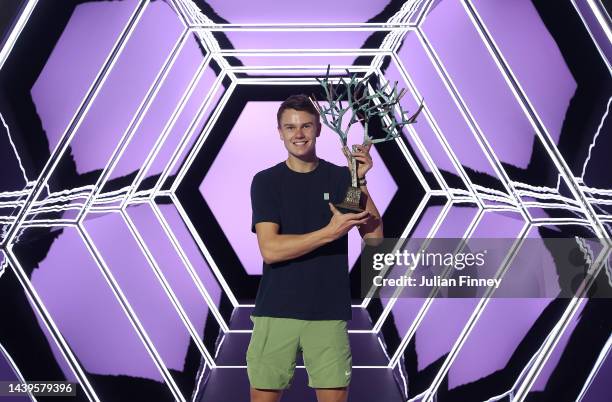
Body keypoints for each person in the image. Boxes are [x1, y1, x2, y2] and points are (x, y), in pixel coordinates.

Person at [247, 94, 384, 402]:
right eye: (290, 127)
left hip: (328, 312)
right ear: (280, 132)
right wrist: (329, 232)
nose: (299, 134)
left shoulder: (340, 178)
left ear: (319, 129)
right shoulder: (267, 182)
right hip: (276, 311)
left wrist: (359, 181)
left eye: (306, 126)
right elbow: (270, 249)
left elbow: (374, 237)